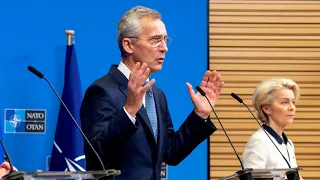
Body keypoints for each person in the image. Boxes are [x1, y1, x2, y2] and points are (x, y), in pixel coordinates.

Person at [80, 5, 224, 180]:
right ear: (128, 45)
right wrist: (129, 111)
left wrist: (199, 115)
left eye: (165, 39)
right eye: (156, 40)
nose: (164, 48)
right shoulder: (102, 91)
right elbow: (96, 154)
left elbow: (171, 153)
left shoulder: (157, 95)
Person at [242, 78, 303, 179]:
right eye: (284, 102)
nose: (292, 107)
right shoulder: (259, 141)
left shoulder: (288, 143)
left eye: (293, 102)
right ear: (266, 109)